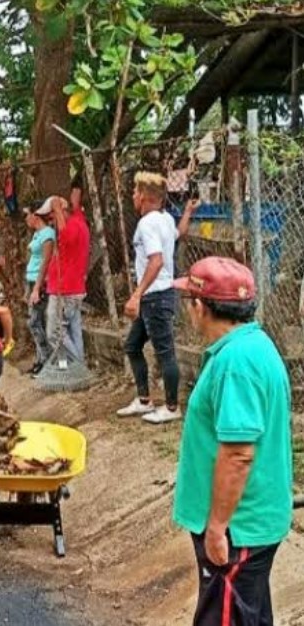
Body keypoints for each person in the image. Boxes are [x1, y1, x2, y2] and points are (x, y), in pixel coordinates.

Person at [172, 256, 292, 626]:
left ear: (200, 307)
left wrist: (217, 527)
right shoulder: (253, 345)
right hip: (248, 521)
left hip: (238, 527)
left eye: (188, 300)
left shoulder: (236, 363)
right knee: (248, 615)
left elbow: (238, 453)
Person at [117, 172, 198, 424]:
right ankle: (144, 400)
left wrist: (136, 295)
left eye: (134, 191)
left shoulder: (148, 223)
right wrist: (187, 212)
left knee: (165, 353)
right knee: (132, 345)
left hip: (155, 296)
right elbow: (179, 234)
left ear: (143, 196)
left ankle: (172, 407)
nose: (132, 195)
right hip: (158, 295)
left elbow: (157, 260)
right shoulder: (163, 218)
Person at [43, 189, 90, 370]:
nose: (52, 223)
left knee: (55, 332)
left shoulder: (71, 226)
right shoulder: (78, 219)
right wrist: (75, 202)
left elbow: (67, 238)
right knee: (73, 331)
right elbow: (75, 212)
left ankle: (75, 368)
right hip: (71, 287)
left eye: (52, 218)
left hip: (66, 289)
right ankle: (71, 367)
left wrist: (57, 211)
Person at [23, 201, 56, 375]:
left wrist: (37, 287)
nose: (26, 219)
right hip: (31, 279)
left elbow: (46, 261)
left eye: (27, 214)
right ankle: (39, 359)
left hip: (40, 281)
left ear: (35, 215)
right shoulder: (37, 234)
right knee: (36, 321)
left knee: (35, 322)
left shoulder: (48, 234)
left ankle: (46, 359)